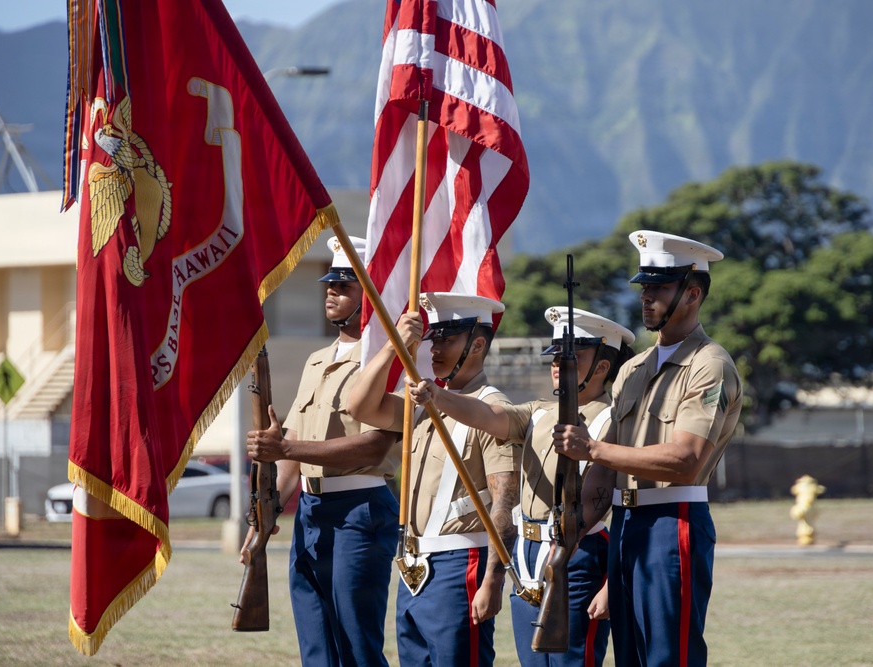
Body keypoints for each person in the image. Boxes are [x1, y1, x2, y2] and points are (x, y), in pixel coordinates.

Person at [551, 230, 743, 667]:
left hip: (672, 523)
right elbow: (607, 466)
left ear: (693, 294)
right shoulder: (633, 368)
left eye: (659, 287)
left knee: (667, 656)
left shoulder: (708, 365)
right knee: (631, 658)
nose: (646, 297)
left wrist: (592, 450)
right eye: (644, 286)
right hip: (625, 521)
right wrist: (573, 527)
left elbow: (685, 460)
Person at [406, 305, 636, 667]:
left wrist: (611, 583)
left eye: (570, 358)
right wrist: (438, 396)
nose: (557, 365)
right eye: (555, 357)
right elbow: (490, 416)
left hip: (578, 553)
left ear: (603, 367)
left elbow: (617, 505)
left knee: (571, 661)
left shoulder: (612, 420)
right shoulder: (539, 412)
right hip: (527, 554)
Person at [242, 236, 399, 667]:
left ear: (369, 295)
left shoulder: (388, 362)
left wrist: (285, 444)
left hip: (359, 508)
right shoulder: (316, 359)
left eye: (345, 285)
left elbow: (374, 442)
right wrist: (265, 516)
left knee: (356, 644)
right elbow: (289, 447)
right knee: (316, 645)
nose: (331, 291)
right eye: (330, 283)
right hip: (311, 511)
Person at [347, 292, 520, 667]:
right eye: (434, 338)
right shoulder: (424, 400)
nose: (436, 348)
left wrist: (494, 576)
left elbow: (505, 501)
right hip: (415, 560)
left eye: (448, 339)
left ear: (476, 344)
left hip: (461, 560)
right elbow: (358, 406)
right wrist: (394, 346)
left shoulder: (494, 409)